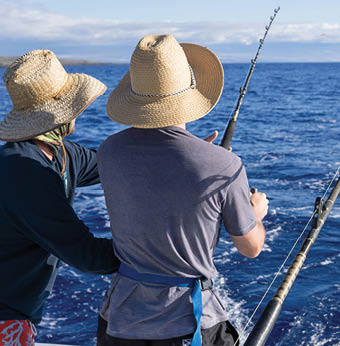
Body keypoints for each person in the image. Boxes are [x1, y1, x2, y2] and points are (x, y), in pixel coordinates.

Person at [96, 34, 268, 346]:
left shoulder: (109, 152)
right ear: (189, 91)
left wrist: (194, 162)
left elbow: (151, 181)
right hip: (187, 327)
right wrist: (254, 213)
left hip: (120, 323)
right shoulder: (224, 166)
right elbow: (250, 247)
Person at [0, 49, 120, 345]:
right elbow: (87, 255)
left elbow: (117, 165)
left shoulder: (62, 152)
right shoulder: (24, 172)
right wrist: (151, 254)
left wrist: (189, 156)